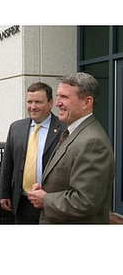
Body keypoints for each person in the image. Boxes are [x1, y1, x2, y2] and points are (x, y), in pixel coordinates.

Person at [28, 72, 115, 224]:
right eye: (58, 96)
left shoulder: (92, 141)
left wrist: (45, 199)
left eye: (65, 97)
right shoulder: (73, 132)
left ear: (87, 102)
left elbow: (85, 201)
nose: (57, 103)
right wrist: (48, 187)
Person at [0, 82, 66, 224]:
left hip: (51, 202)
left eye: (38, 102)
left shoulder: (64, 129)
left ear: (51, 103)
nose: (33, 106)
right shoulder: (16, 128)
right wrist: (4, 193)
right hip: (22, 201)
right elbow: (8, 163)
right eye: (29, 101)